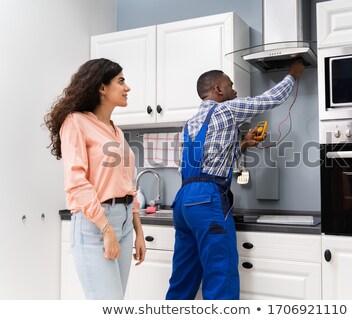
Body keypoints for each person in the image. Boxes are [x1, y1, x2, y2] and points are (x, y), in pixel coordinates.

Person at [166, 60, 304, 300]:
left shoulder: (189, 123)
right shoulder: (226, 110)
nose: (235, 91)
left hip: (183, 203)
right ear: (219, 90)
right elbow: (268, 99)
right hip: (207, 202)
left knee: (183, 276)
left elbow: (207, 163)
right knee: (221, 273)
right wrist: (293, 75)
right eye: (230, 86)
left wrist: (243, 144)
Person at [44, 58, 146, 299]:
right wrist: (106, 229)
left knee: (115, 303)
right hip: (95, 223)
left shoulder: (115, 130)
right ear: (102, 88)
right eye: (121, 81)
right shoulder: (75, 122)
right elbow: (76, 181)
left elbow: (127, 183)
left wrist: (138, 230)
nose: (127, 87)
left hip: (123, 221)